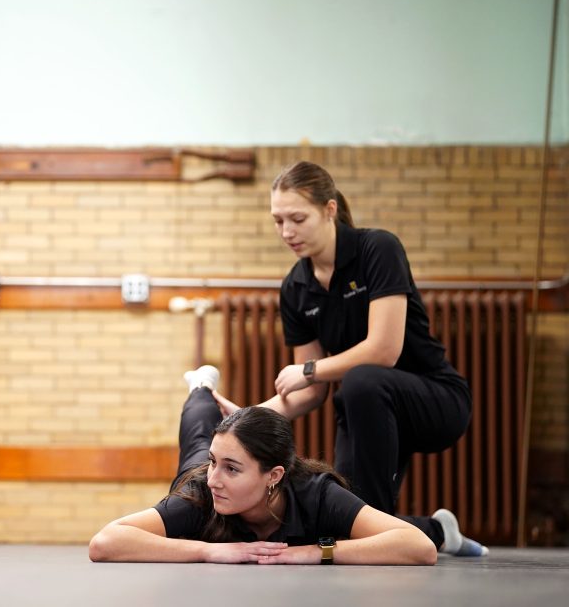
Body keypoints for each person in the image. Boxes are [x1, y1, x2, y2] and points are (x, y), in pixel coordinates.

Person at [212, 160, 486, 557]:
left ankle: (401, 537)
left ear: (329, 210)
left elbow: (383, 351)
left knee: (361, 380)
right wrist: (249, 415)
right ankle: (436, 532)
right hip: (366, 408)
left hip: (436, 401)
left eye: (297, 218)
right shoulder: (296, 288)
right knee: (344, 519)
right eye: (278, 221)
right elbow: (310, 394)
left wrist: (309, 369)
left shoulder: (378, 249)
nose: (287, 232)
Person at [89, 367, 437, 565]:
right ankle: (201, 384)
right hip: (195, 472)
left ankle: (445, 529)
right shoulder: (201, 493)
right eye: (216, 463)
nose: (215, 479)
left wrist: (318, 552)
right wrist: (209, 551)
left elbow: (418, 547)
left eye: (232, 468)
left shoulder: (316, 493)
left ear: (274, 476)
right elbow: (105, 542)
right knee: (198, 430)